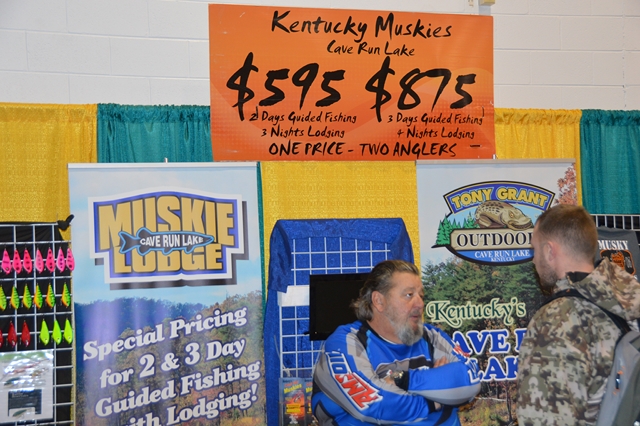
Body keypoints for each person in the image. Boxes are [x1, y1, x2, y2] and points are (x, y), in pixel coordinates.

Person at [312, 259, 481, 425]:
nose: (420, 303)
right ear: (379, 301)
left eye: (421, 295)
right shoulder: (345, 342)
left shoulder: (433, 336)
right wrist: (437, 398)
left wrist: (403, 380)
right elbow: (374, 405)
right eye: (409, 295)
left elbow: (470, 382)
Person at [517, 204, 640, 425]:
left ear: (549, 251)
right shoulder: (630, 301)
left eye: (534, 249)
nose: (533, 259)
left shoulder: (557, 319)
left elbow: (544, 419)